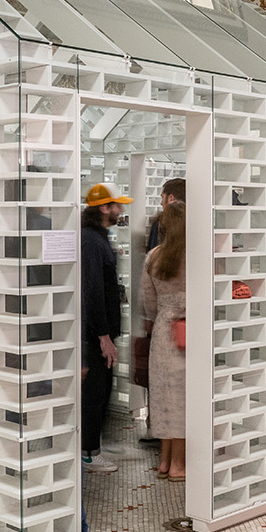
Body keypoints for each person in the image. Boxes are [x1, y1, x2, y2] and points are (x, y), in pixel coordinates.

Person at [80, 182, 130, 474]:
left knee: (103, 390)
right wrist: (103, 336)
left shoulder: (98, 237)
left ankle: (93, 447)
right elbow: (93, 291)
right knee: (96, 392)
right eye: (117, 205)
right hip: (95, 336)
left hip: (102, 333)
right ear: (104, 208)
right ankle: (89, 452)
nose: (121, 210)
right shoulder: (91, 241)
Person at [139, 202, 186, 480]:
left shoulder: (153, 257)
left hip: (162, 331)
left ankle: (165, 461)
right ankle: (180, 465)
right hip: (188, 332)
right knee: (184, 398)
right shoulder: (196, 256)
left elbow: (148, 302)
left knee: (163, 398)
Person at [145, 176, 184, 253]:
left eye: (162, 197)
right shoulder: (195, 225)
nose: (161, 203)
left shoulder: (161, 224)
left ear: (171, 198)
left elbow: (154, 254)